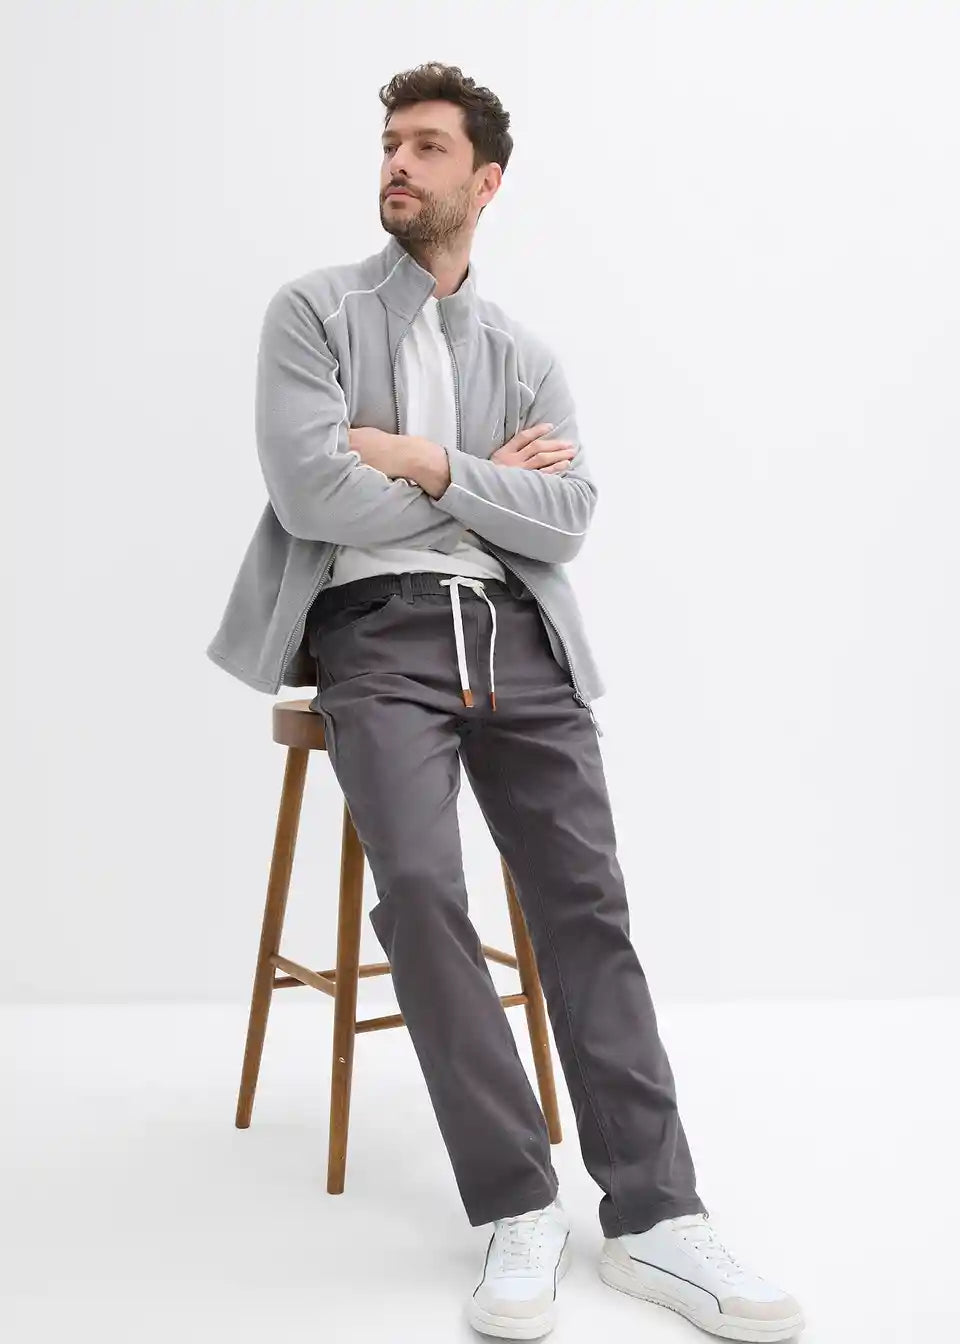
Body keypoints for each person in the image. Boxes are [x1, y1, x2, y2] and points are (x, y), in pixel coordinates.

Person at [207, 61, 804, 1344]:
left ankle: (657, 1216)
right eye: (390, 142)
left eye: (428, 146)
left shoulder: (526, 355)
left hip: (520, 637)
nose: (397, 163)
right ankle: (517, 1203)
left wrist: (425, 459)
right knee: (424, 895)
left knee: (587, 904)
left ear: (485, 182)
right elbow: (313, 493)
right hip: (375, 634)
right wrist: (488, 484)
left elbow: (569, 518)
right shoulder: (312, 313)